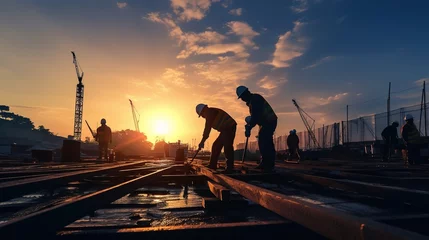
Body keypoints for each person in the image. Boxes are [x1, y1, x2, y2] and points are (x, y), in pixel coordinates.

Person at [236, 86, 278, 172]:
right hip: (266, 122)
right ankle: (266, 163)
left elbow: (256, 116)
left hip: (269, 121)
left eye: (242, 97)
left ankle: (268, 164)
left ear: (245, 94)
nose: (242, 100)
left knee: (264, 141)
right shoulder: (253, 101)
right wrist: (249, 126)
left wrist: (249, 127)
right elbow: (255, 117)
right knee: (264, 140)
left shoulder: (255, 99)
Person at [196, 104, 237, 173]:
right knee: (216, 146)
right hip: (225, 129)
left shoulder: (209, 113)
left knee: (227, 147)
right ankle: (213, 165)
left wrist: (202, 141)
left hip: (229, 127)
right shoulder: (210, 112)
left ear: (203, 111)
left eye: (202, 115)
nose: (203, 117)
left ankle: (230, 168)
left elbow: (207, 128)